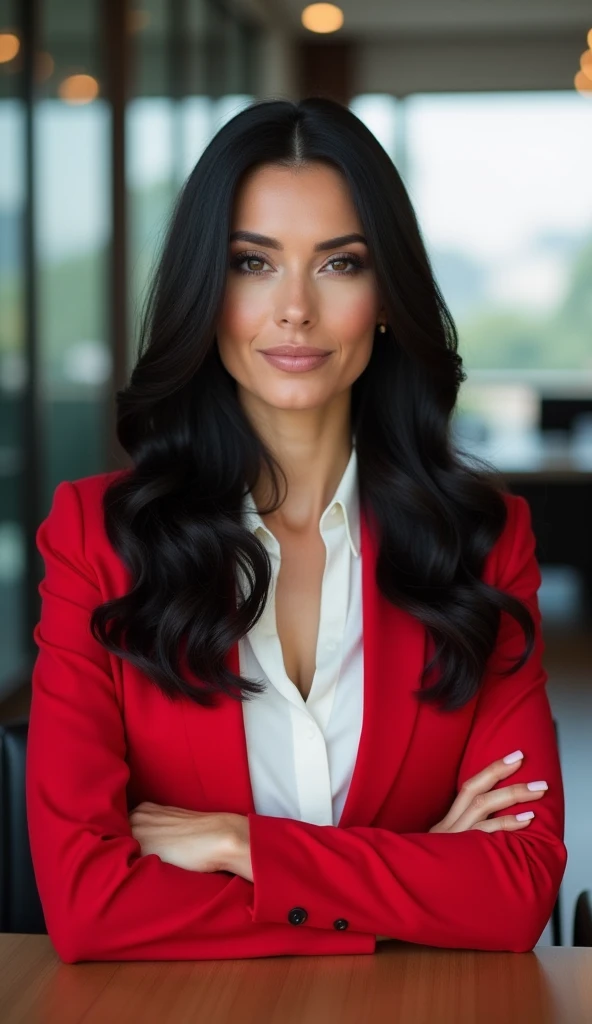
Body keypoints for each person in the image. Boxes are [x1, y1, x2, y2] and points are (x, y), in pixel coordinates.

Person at [26, 97, 567, 964]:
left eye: (339, 264)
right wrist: (419, 882)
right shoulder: (98, 539)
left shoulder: (482, 539)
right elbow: (90, 908)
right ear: (207, 289)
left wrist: (243, 846)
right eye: (253, 263)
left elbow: (516, 893)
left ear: (386, 293)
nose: (294, 311)